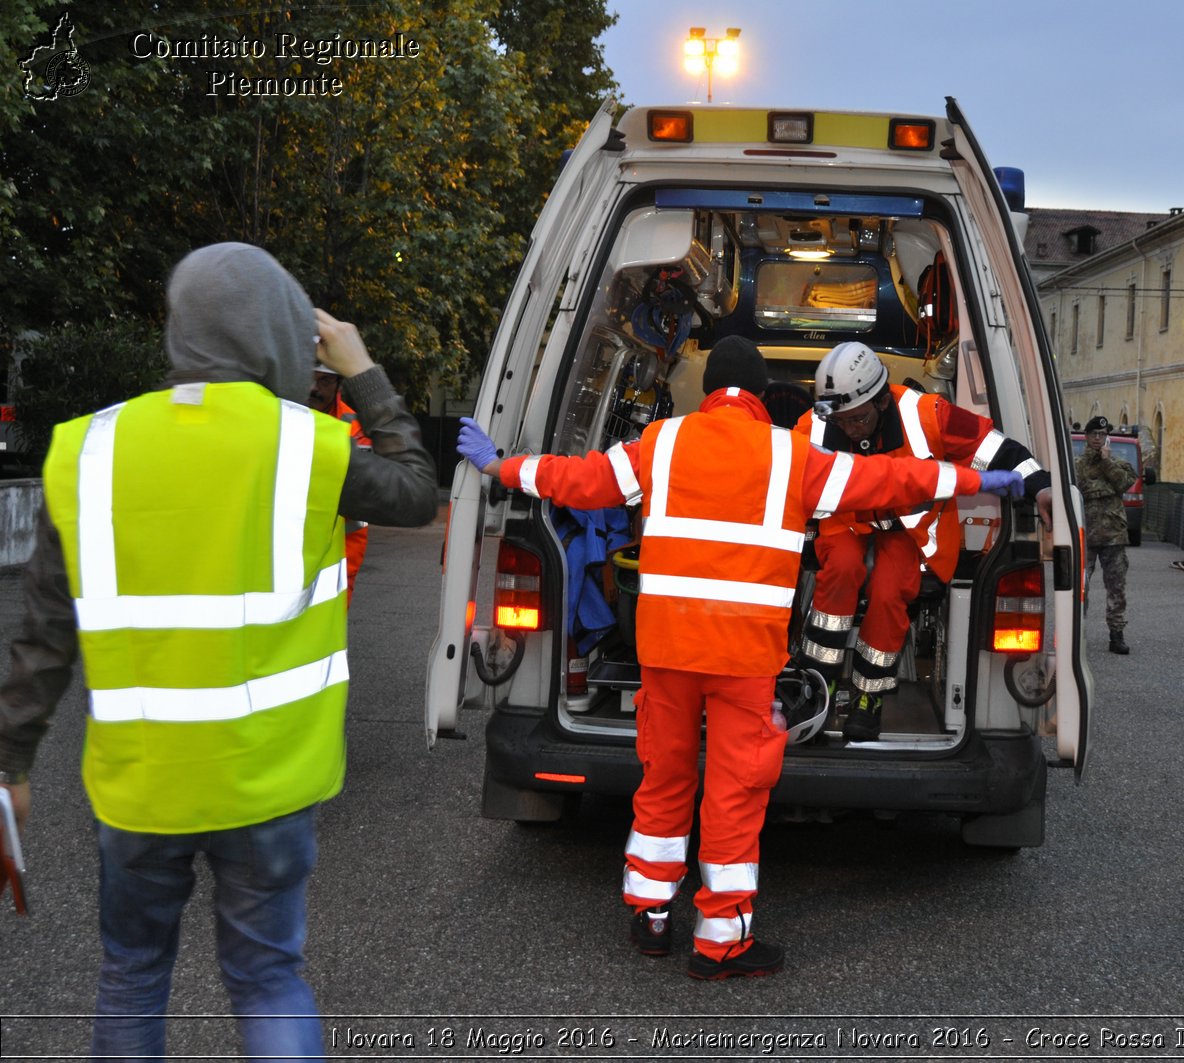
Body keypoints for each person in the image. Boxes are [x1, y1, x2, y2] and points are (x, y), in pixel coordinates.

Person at [456, 335, 1023, 979]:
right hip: (744, 660)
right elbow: (891, 480)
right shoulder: (793, 454)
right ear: (759, 397)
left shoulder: (660, 444)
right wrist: (980, 478)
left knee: (664, 777)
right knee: (734, 791)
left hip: (667, 654)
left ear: (707, 392)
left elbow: (576, 481)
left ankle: (650, 913)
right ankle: (720, 942)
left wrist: (500, 465)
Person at [0, 243, 437, 1060]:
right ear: (278, 335)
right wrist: (363, 370)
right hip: (269, 781)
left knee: (131, 973)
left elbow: (44, 636)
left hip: (141, 784)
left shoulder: (86, 450)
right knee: (268, 978)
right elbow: (417, 488)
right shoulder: (310, 445)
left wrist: (10, 768)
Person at [790, 341, 1053, 739]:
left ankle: (868, 698)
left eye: (858, 419)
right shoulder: (815, 425)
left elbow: (997, 448)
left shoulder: (926, 414)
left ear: (880, 402)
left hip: (904, 530)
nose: (849, 428)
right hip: (844, 521)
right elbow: (782, 474)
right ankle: (819, 687)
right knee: (841, 569)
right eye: (841, 420)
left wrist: (1043, 487)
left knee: (890, 589)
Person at [309, 364, 374, 598]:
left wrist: (346, 575)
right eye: (308, 376)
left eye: (324, 381)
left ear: (338, 384)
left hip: (336, 553)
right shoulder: (276, 415)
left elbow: (358, 510)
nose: (313, 388)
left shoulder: (354, 431)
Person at [1075, 415, 1136, 655]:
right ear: (1087, 437)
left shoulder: (1119, 464)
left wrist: (1107, 463)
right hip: (1087, 536)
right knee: (1080, 587)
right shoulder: (1077, 465)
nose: (1098, 439)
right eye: (1094, 435)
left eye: (1102, 435)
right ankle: (1076, 634)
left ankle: (1116, 634)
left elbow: (1122, 484)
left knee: (1116, 588)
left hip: (1113, 536)